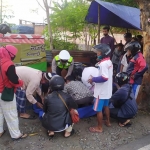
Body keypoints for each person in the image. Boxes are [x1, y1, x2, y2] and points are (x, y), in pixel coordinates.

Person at [0, 45, 27, 140]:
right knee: (11, 114)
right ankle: (16, 135)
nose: (14, 56)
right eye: (14, 54)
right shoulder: (9, 64)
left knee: (0, 113)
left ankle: (0, 131)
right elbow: (14, 80)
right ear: (9, 53)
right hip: (5, 93)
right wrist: (21, 82)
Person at [88, 43, 113, 133]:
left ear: (103, 53)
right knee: (106, 106)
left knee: (98, 110)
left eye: (98, 52)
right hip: (107, 90)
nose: (97, 54)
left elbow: (104, 77)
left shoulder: (103, 64)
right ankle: (108, 122)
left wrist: (92, 79)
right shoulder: (109, 62)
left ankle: (99, 127)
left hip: (101, 92)